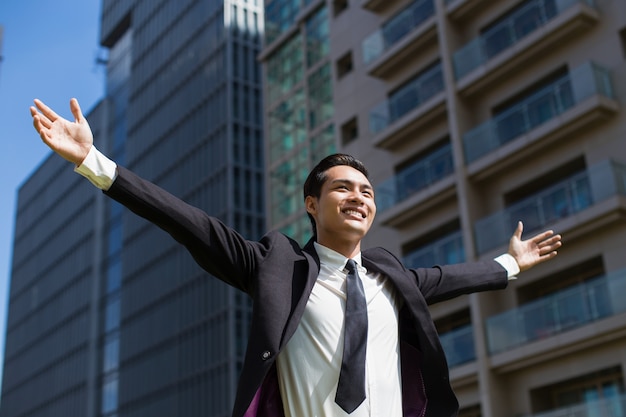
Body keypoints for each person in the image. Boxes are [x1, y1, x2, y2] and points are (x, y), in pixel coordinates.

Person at [30, 98, 561, 417]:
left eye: (368, 192)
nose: (359, 197)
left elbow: (455, 277)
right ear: (311, 203)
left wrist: (510, 263)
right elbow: (185, 220)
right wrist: (95, 163)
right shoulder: (276, 267)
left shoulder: (390, 276)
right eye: (343, 189)